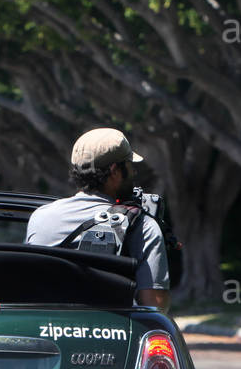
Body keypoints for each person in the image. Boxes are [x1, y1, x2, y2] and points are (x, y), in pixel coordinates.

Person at [25, 127, 170, 311]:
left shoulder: (40, 217)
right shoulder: (142, 226)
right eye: (129, 165)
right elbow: (154, 306)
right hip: (110, 335)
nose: (133, 172)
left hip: (45, 329)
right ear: (115, 171)